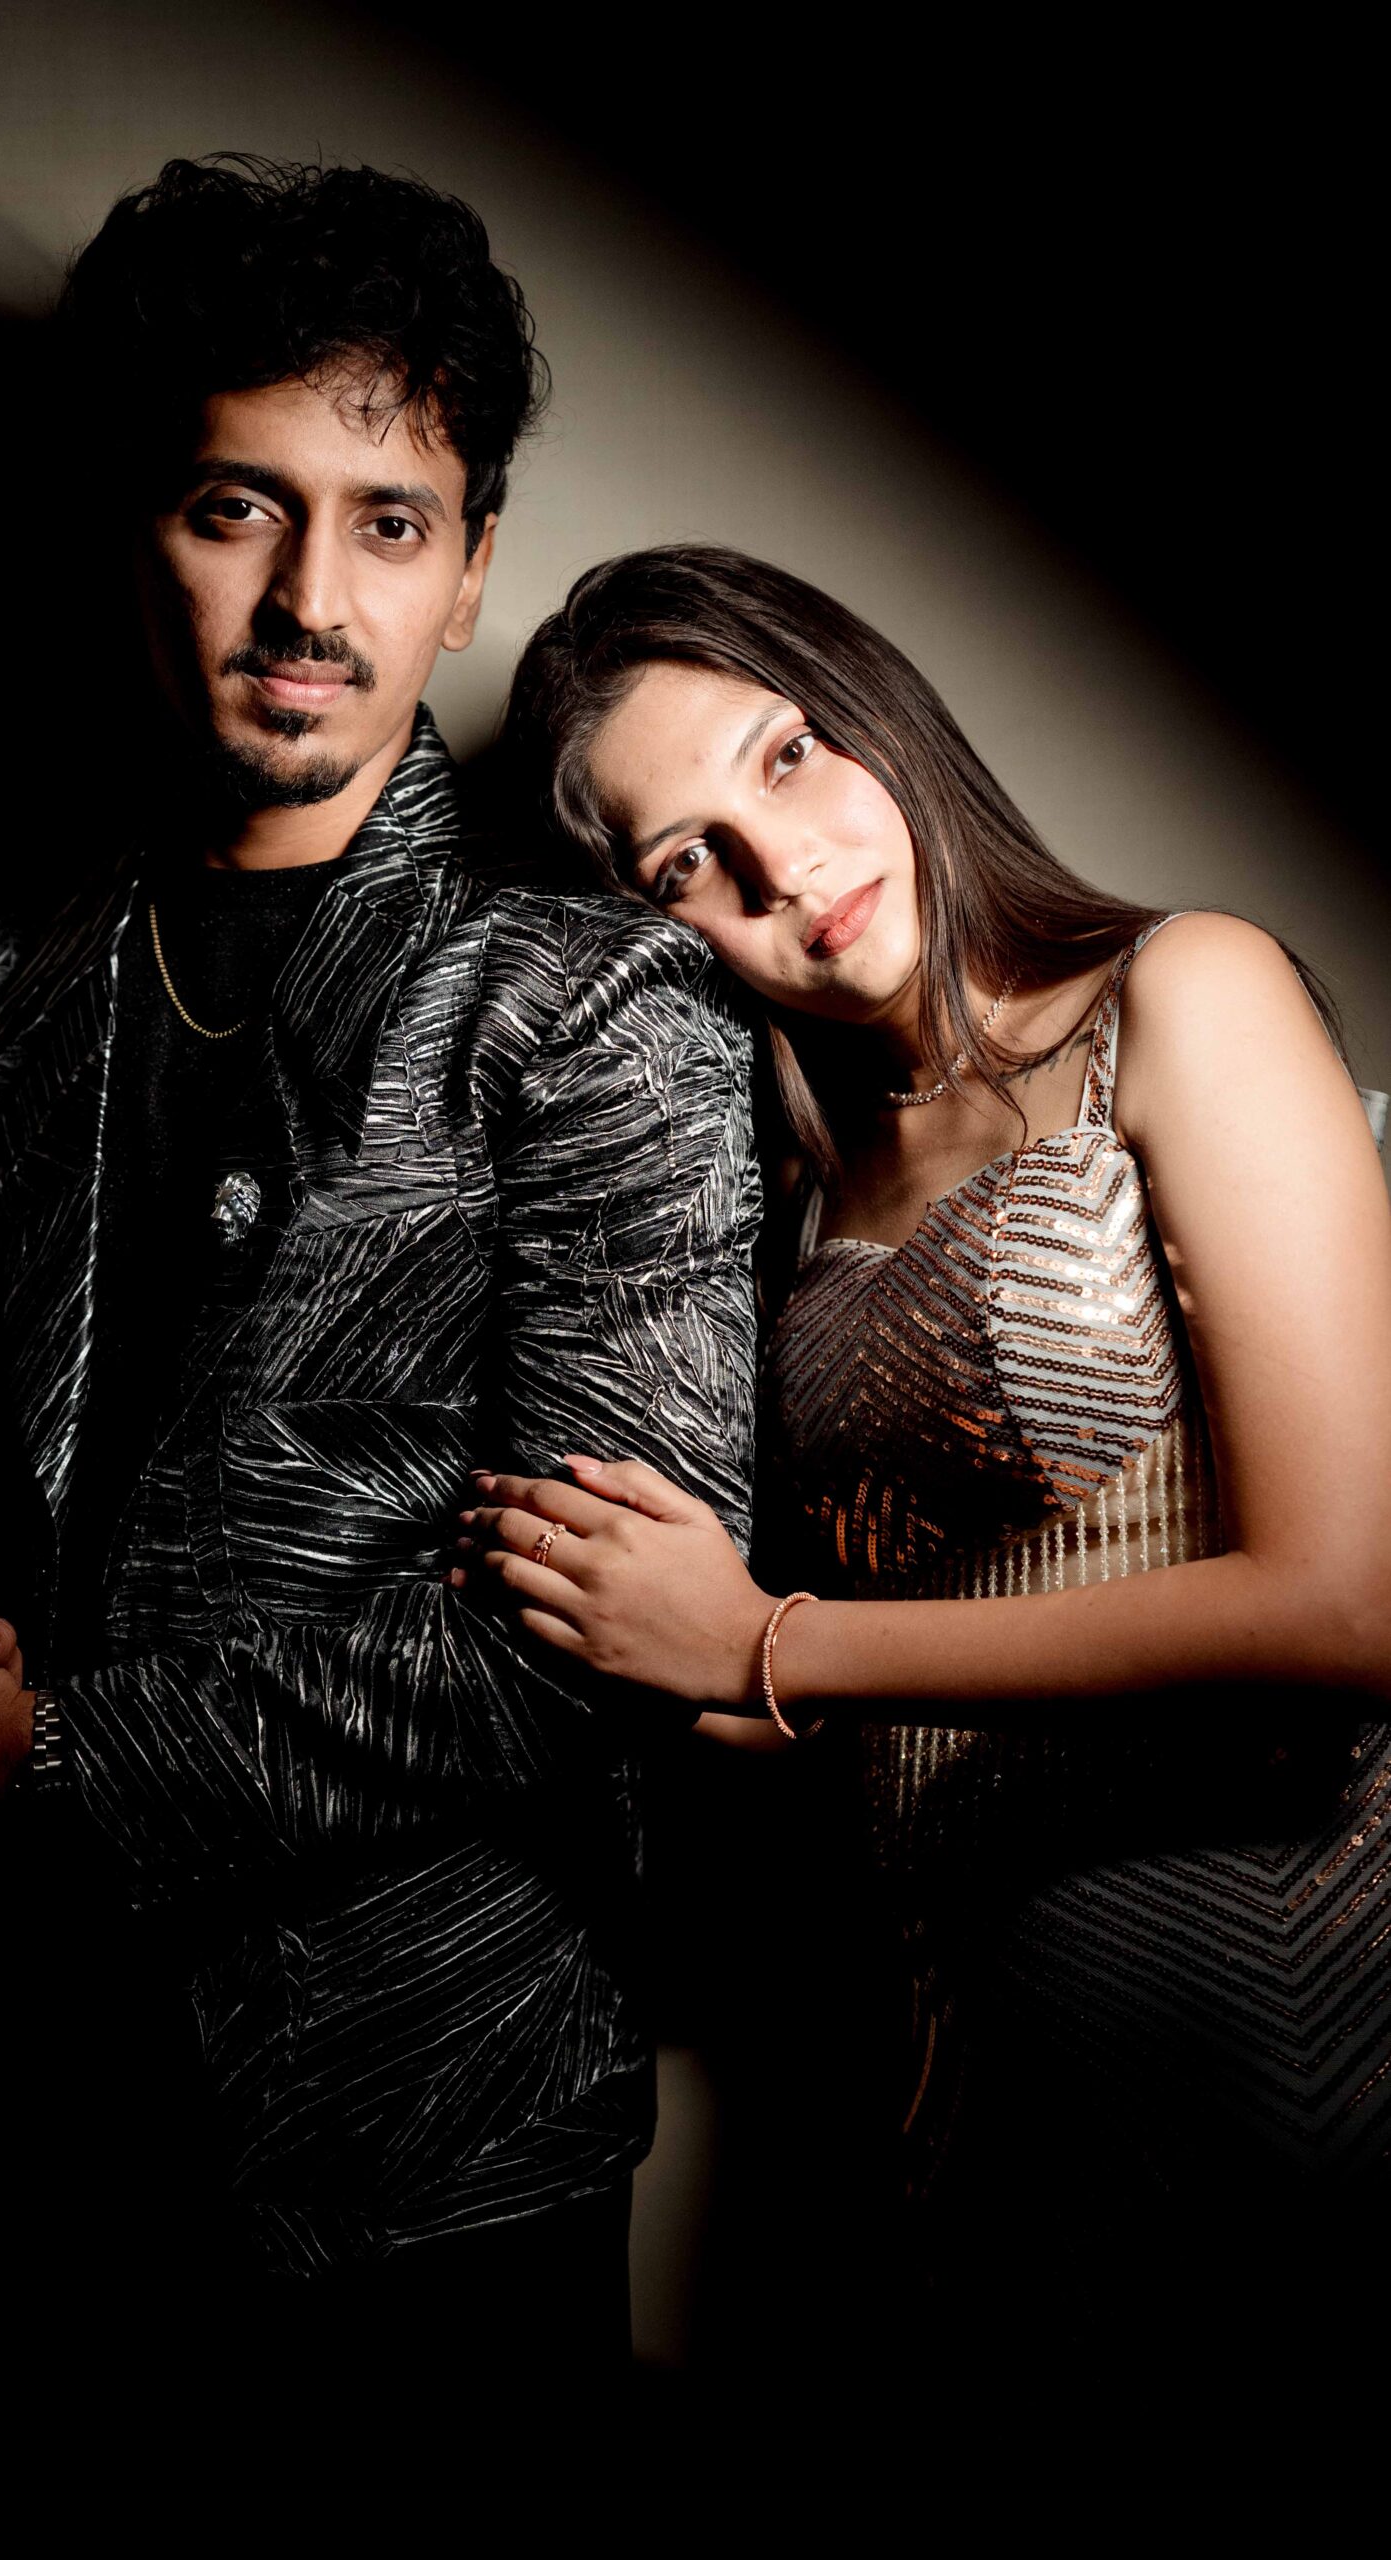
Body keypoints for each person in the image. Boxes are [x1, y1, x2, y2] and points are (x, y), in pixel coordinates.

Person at [0, 172, 759, 2415]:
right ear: (132, 524)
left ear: (469, 564)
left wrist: (54, 1752)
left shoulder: (590, 1007)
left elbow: (589, 1651)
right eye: (238, 508)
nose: (311, 601)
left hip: (421, 2133)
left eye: (389, 525)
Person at [467, 543, 1391, 2395]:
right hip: (974, 2057)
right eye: (688, 862)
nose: (784, 869)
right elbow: (924, 1653)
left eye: (789, 755)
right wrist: (667, 1665)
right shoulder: (791, 1196)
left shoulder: (1182, 994)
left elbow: (1353, 1605)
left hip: (1291, 2002)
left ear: (874, 706)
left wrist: (769, 1648)